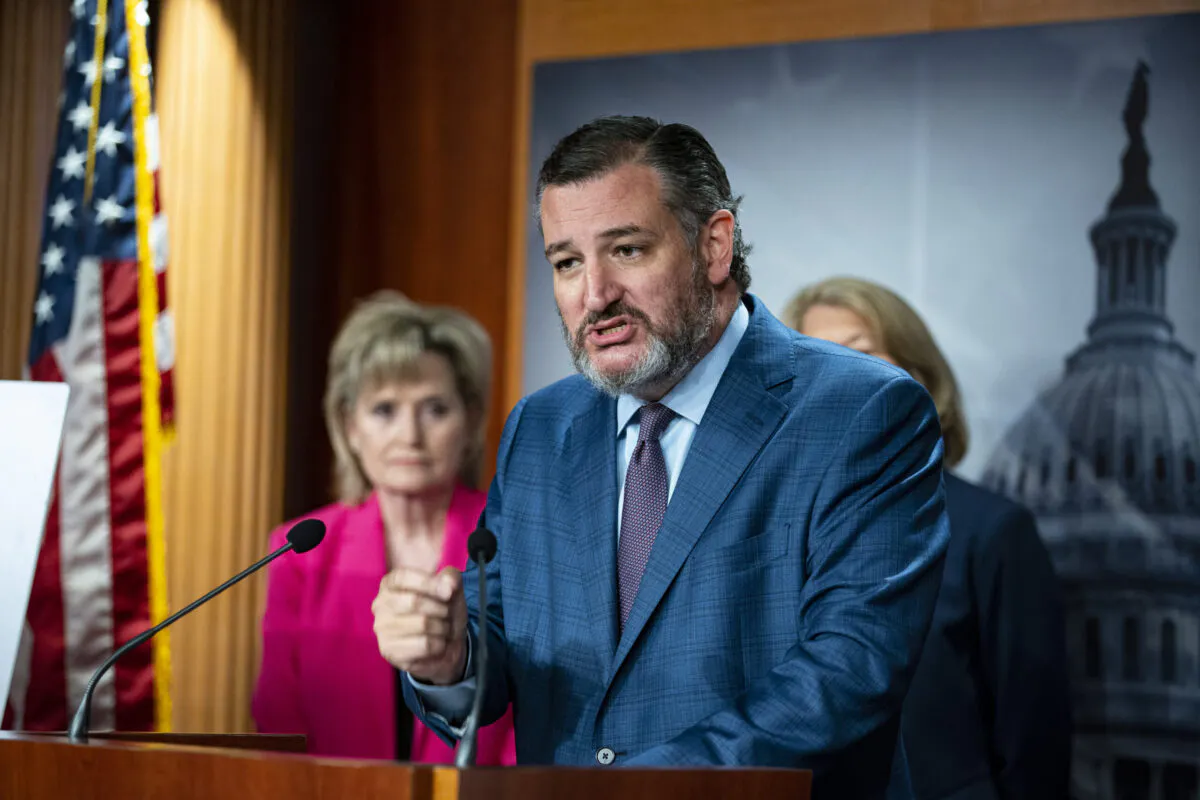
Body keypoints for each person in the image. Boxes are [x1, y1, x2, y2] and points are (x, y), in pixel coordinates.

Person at [370, 116, 950, 796]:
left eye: (627, 250)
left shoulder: (860, 411)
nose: (595, 295)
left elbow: (849, 674)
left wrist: (632, 789)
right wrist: (449, 656)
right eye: (567, 262)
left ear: (714, 245)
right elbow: (498, 632)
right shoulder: (539, 429)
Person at [784, 276, 1071, 799]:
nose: (838, 376)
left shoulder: (994, 532)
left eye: (860, 353)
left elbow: (1033, 749)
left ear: (918, 376)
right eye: (817, 361)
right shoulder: (779, 534)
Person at [251, 291, 516, 765]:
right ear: (350, 426)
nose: (410, 435)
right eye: (384, 410)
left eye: (435, 409)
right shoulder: (299, 553)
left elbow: (529, 719)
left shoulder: (512, 541)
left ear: (471, 419)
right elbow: (278, 719)